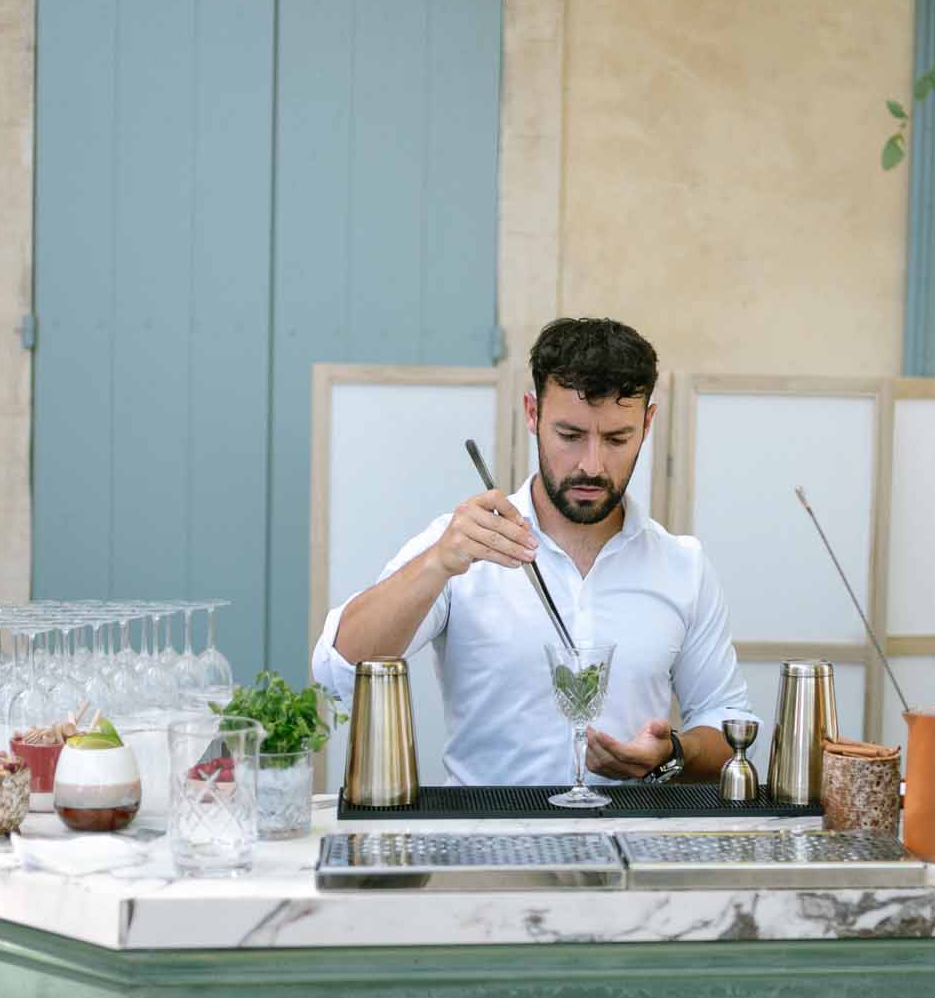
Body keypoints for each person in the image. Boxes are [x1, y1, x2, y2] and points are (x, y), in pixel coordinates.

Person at [312, 316, 748, 787]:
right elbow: (337, 670)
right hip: (486, 847)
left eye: (617, 439)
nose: (591, 465)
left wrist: (675, 753)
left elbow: (728, 723)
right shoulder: (460, 545)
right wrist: (437, 564)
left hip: (631, 843)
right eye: (570, 435)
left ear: (648, 423)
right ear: (532, 414)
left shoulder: (683, 566)